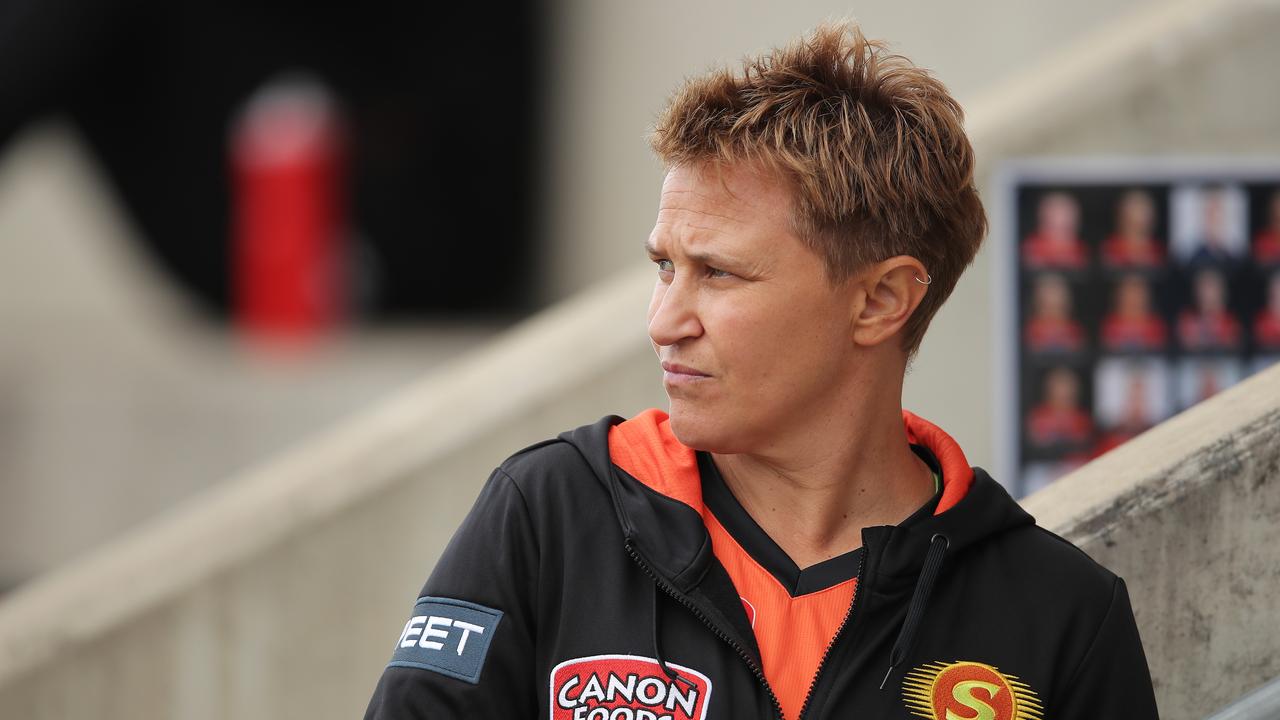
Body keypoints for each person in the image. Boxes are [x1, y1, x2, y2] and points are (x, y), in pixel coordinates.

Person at [363, 22, 1158, 720]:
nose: (663, 321)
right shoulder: (550, 516)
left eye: (718, 273)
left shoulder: (1060, 615)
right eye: (664, 267)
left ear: (880, 301)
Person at [1021, 191, 1088, 269]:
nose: (1063, 220)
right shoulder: (1031, 248)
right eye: (1056, 214)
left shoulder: (1081, 249)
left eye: (1067, 214)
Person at [1100, 274, 1167, 351]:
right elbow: (1110, 351)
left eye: (1138, 291)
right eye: (1129, 291)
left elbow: (1156, 352)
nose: (1134, 297)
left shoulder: (1156, 323)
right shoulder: (1110, 322)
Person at [1101, 189, 1164, 269]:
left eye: (1145, 210)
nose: (1143, 217)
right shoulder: (1110, 247)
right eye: (1137, 208)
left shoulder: (1158, 249)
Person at [1024, 273, 1085, 352]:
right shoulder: (1032, 330)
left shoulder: (1074, 330)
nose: (1052, 296)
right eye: (1048, 290)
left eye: (1056, 290)